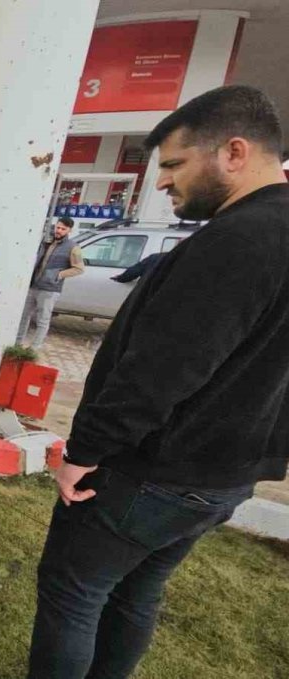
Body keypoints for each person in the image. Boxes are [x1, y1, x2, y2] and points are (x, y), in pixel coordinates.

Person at [28, 84, 289, 679]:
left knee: (73, 591)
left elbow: (159, 371)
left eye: (173, 164)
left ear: (233, 152)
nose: (163, 183)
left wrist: (83, 451)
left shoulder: (239, 239)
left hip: (155, 471)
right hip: (226, 473)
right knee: (133, 592)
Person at [17, 216, 84, 351]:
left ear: (69, 230)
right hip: (34, 285)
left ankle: (34, 348)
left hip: (50, 289)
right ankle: (17, 343)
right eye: (57, 227)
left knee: (43, 319)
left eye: (63, 229)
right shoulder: (47, 241)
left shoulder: (73, 247)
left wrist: (58, 275)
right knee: (24, 316)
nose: (58, 231)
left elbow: (79, 268)